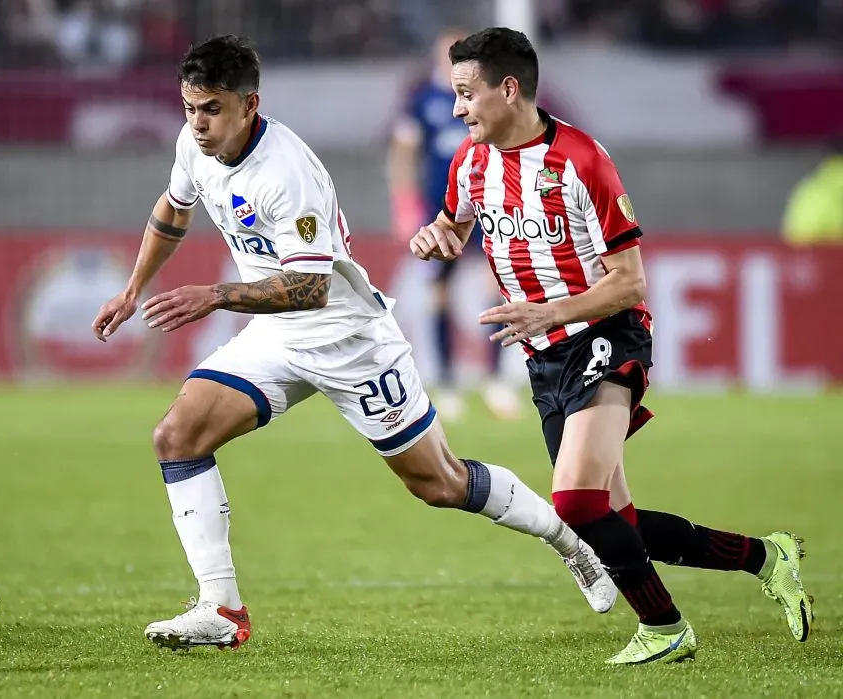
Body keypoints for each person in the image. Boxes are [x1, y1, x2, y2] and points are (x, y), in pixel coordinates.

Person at [92, 34, 616, 652]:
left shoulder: (288, 172)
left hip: (349, 340)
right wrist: (134, 288)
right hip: (276, 334)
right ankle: (222, 610)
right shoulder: (193, 145)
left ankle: (570, 540)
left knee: (439, 484)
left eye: (211, 109)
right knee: (176, 437)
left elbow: (312, 288)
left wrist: (217, 293)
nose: (198, 124)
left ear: (248, 104)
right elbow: (174, 209)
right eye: (189, 108)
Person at [409, 27, 813, 665]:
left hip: (606, 336)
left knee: (572, 499)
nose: (457, 109)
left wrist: (550, 310)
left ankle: (665, 627)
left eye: (466, 94)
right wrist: (434, 237)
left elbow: (629, 283)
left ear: (508, 89)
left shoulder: (581, 161)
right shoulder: (470, 161)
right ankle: (766, 557)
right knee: (607, 519)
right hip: (545, 356)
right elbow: (453, 225)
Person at [388, 28, 522, 422]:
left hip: (487, 206)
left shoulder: (487, 98)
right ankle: (445, 382)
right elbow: (403, 154)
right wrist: (404, 205)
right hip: (440, 210)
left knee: (496, 287)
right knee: (439, 292)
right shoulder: (423, 100)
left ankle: (495, 379)